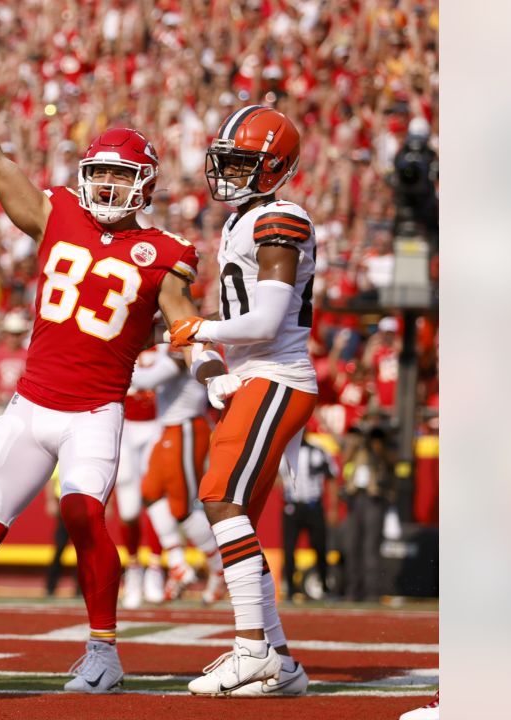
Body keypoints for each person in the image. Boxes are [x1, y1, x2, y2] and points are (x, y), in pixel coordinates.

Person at [0, 33, 214, 694]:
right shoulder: (57, 215)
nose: (107, 183)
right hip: (31, 404)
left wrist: (211, 369)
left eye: (120, 173)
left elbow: (184, 322)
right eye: (100, 171)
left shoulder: (162, 251)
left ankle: (104, 652)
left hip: (93, 411)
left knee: (84, 515)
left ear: (144, 183)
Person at [167, 105, 318, 697]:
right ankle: (280, 661)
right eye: (225, 160)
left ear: (275, 168)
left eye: (241, 162)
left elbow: (268, 319)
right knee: (238, 517)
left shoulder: (282, 217)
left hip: (277, 376)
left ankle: (251, 647)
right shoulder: (246, 219)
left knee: (221, 499)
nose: (228, 171)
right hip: (255, 379)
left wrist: (197, 330)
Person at [132, 343, 226, 604]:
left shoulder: (188, 344)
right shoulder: (169, 341)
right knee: (150, 492)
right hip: (168, 428)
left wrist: (113, 363)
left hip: (186, 427)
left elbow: (148, 379)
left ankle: (219, 569)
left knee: (181, 508)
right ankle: (177, 562)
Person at [114, 349, 165, 609]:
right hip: (124, 425)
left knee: (157, 499)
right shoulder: (121, 330)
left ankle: (155, 566)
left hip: (159, 422)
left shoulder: (168, 340)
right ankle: (133, 567)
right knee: (129, 508)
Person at [341, 425, 395, 602]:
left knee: (371, 547)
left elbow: (390, 462)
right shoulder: (356, 448)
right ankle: (352, 590)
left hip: (374, 499)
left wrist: (378, 445)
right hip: (355, 497)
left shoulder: (384, 445)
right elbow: (344, 460)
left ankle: (372, 592)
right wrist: (354, 444)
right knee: (352, 545)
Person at [281, 435, 337, 600]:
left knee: (320, 547)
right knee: (289, 549)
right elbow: (274, 477)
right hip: (292, 506)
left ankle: (324, 587)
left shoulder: (318, 451)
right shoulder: (283, 452)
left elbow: (331, 477)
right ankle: (290, 589)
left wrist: (332, 507)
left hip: (314, 506)